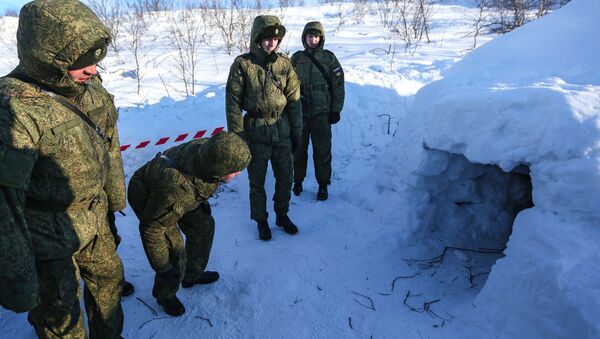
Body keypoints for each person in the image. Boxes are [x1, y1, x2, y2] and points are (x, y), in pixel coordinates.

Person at [0, 1, 125, 338]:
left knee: (110, 282)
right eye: (82, 63)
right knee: (61, 316)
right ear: (47, 57)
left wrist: (115, 198)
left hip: (94, 219)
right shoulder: (13, 107)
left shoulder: (90, 87)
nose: (93, 71)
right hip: (46, 235)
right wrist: (18, 278)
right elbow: (4, 206)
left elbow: (109, 142)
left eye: (97, 61)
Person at [127, 132, 251, 316]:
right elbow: (151, 229)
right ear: (219, 169)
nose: (238, 173)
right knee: (174, 252)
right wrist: (163, 267)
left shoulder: (210, 149)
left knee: (204, 227)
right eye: (235, 170)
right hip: (150, 196)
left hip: (184, 192)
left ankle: (192, 274)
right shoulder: (176, 191)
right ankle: (165, 294)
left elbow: (197, 180)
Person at [226, 15, 303, 241]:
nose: (271, 43)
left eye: (275, 39)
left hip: (282, 130)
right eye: (267, 38)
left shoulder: (284, 64)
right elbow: (232, 104)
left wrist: (296, 133)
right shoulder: (243, 65)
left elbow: (295, 100)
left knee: (285, 177)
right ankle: (261, 220)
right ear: (257, 39)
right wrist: (238, 139)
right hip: (256, 130)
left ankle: (282, 214)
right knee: (257, 181)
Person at [291, 21, 345, 201]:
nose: (312, 40)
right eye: (309, 36)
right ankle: (297, 181)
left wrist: (335, 110)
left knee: (322, 150)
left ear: (320, 38)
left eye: (316, 36)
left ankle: (323, 185)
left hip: (322, 113)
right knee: (298, 150)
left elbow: (338, 86)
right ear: (304, 37)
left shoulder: (329, 58)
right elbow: (287, 85)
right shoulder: (297, 58)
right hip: (300, 113)